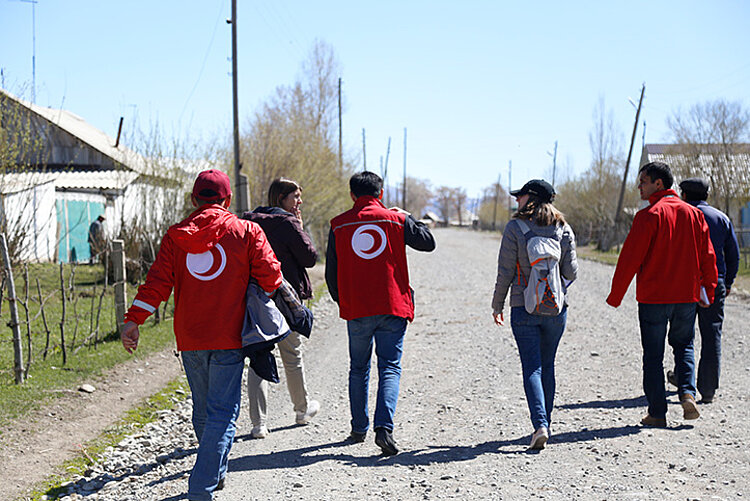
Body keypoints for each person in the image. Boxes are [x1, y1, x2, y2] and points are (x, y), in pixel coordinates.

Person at [120, 170, 282, 501]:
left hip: (190, 337)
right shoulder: (247, 231)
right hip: (230, 336)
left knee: (204, 409)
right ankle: (201, 487)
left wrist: (133, 320)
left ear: (194, 200)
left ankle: (214, 471)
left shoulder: (176, 236)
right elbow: (270, 276)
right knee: (222, 413)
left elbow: (157, 283)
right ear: (229, 200)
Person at [325, 171, 435, 456]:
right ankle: (383, 427)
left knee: (358, 368)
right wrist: (410, 217)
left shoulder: (338, 224)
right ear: (381, 194)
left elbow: (330, 272)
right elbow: (428, 242)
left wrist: (343, 301)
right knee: (390, 367)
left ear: (352, 195)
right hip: (392, 306)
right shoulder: (396, 220)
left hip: (358, 308)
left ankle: (358, 427)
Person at [606, 162, 717, 428]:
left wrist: (616, 295)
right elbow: (708, 256)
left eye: (643, 181)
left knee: (653, 355)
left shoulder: (648, 216)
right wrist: (708, 290)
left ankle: (657, 413)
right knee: (685, 346)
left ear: (658, 184)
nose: (639, 186)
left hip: (654, 297)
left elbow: (630, 258)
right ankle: (687, 393)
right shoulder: (694, 215)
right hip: (686, 296)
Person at [491, 179, 578, 450]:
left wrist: (497, 305)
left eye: (521, 196)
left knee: (532, 366)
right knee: (548, 365)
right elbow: (572, 272)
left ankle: (539, 425)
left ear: (532, 199)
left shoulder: (515, 228)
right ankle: (547, 424)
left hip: (523, 307)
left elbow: (505, 272)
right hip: (555, 308)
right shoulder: (563, 229)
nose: (517, 200)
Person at [241, 177, 320, 438]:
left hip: (256, 297)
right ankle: (302, 409)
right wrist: (298, 224)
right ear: (281, 198)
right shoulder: (287, 223)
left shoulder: (248, 220)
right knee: (292, 355)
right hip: (287, 297)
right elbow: (309, 257)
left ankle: (258, 424)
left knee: (259, 355)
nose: (299, 201)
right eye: (295, 196)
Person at [665, 177, 740, 403]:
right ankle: (707, 389)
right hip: (713, 284)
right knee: (711, 335)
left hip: (682, 285)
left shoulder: (678, 215)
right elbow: (733, 254)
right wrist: (727, 282)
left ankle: (682, 378)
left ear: (683, 195)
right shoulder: (721, 218)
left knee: (682, 335)